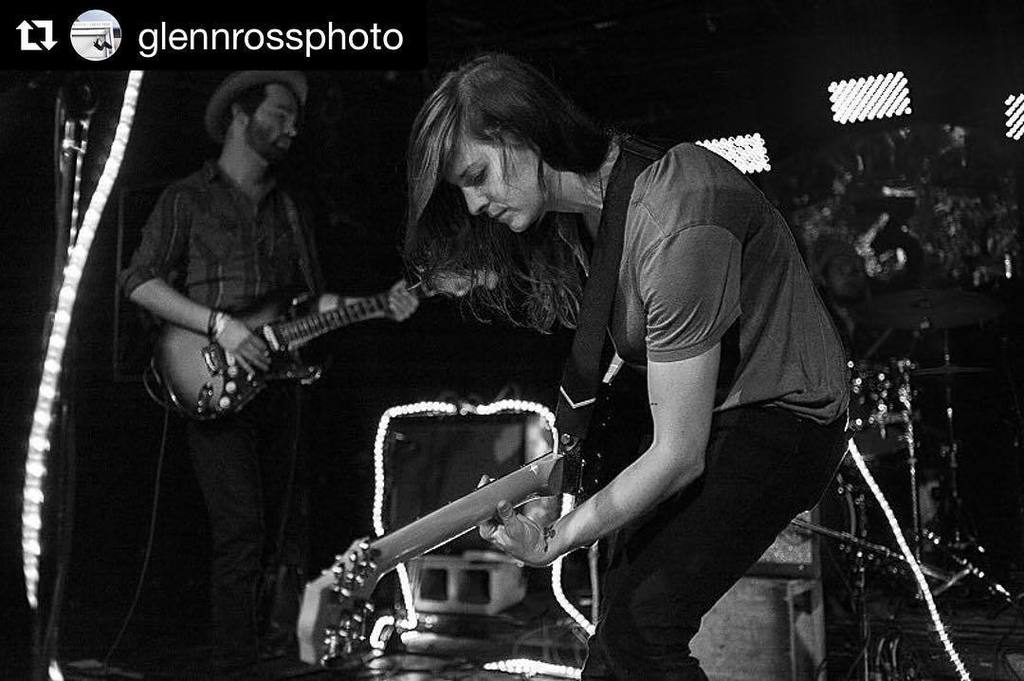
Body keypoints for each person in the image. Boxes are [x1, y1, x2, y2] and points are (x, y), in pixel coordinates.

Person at [403, 53, 849, 680]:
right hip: (719, 417)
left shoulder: (674, 215)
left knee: (643, 632)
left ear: (523, 135)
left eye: (477, 175)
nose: (474, 204)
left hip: (784, 420)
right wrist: (563, 487)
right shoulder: (590, 221)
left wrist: (555, 538)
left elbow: (678, 454)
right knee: (615, 646)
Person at [119, 71, 419, 679]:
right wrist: (220, 328)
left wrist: (381, 301)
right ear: (239, 114)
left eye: (294, 117)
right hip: (209, 377)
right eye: (280, 113)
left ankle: (264, 649)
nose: (292, 126)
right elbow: (138, 283)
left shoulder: (289, 205)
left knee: (274, 532)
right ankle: (235, 665)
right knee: (241, 531)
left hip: (280, 386)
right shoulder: (186, 197)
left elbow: (309, 302)